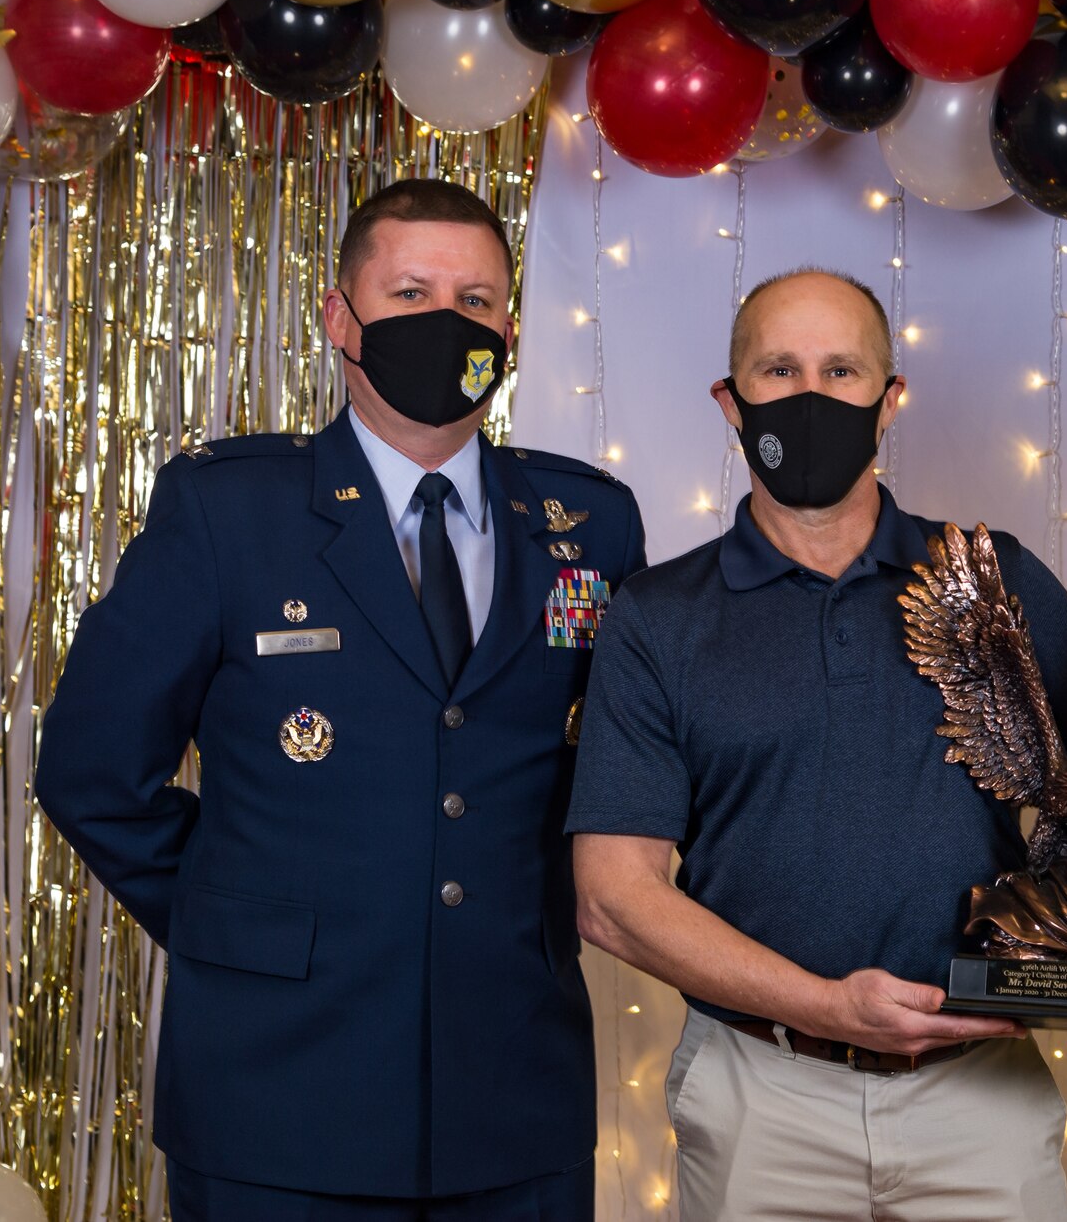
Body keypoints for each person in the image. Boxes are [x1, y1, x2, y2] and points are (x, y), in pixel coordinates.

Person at [35, 179, 645, 1220]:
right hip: (277, 1091)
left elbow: (632, 767)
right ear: (338, 318)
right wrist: (238, 919)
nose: (445, 319)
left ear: (508, 327)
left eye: (476, 298)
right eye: (408, 292)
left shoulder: (588, 522)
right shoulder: (231, 511)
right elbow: (91, 771)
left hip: (512, 1087)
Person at [567, 268, 1067, 1222]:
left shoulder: (993, 580)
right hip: (758, 1094)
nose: (810, 394)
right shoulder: (658, 619)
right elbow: (615, 896)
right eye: (778, 369)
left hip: (978, 1091)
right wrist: (822, 1005)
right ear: (728, 402)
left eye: (842, 369)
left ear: (889, 398)